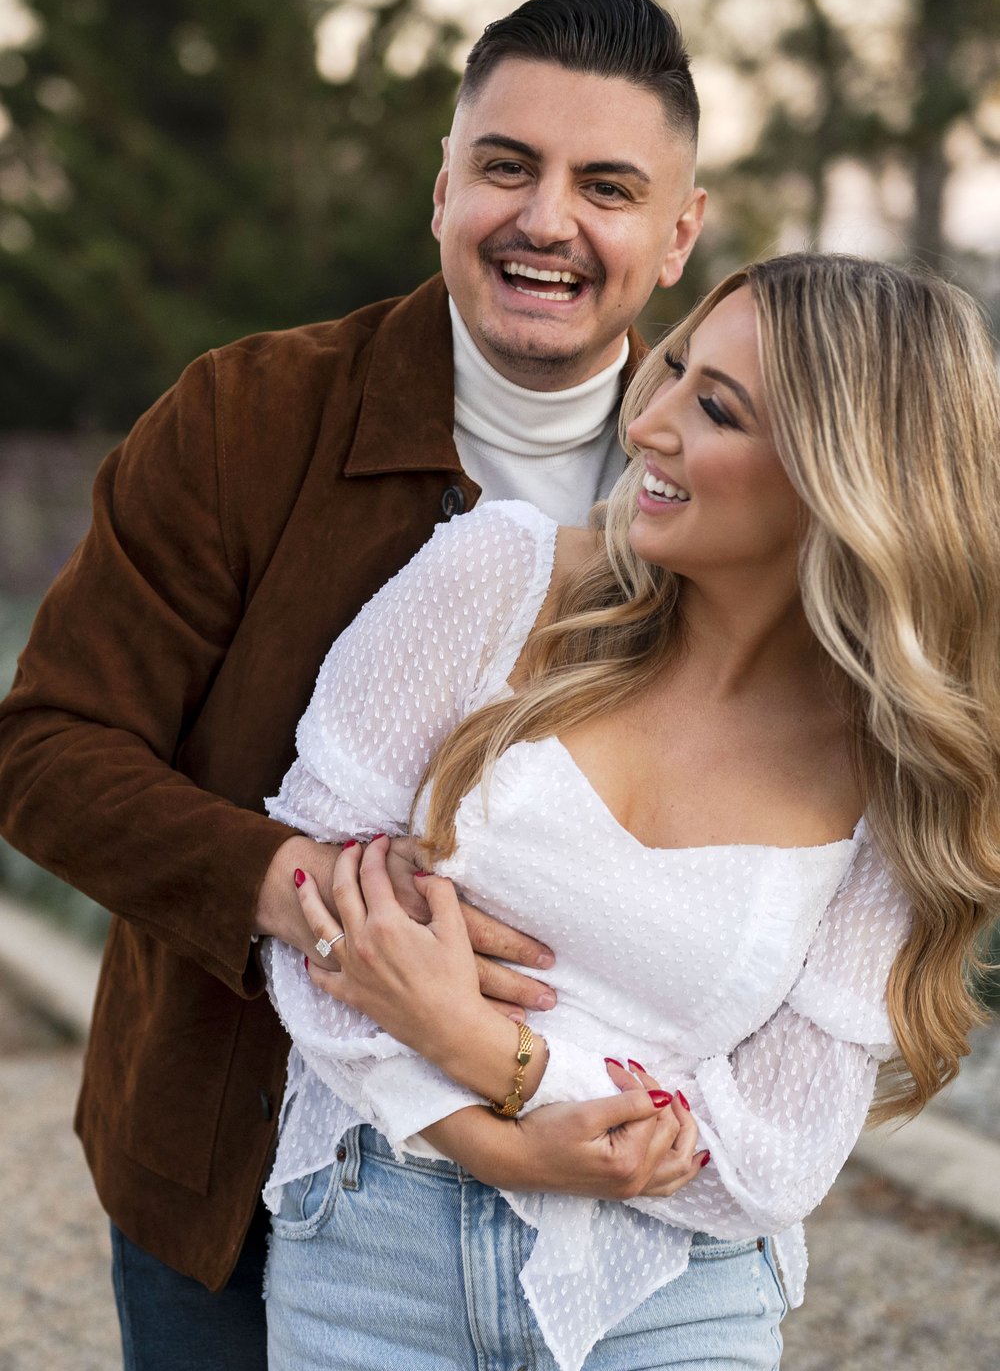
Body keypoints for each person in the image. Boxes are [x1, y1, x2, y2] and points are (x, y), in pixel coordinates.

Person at [0, 0, 706, 1367]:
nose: (546, 220)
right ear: (442, 189)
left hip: (603, 1185)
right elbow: (45, 748)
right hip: (238, 1165)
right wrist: (316, 897)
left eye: (607, 187)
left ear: (679, 231)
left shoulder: (730, 474)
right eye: (507, 166)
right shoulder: (243, 417)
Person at [259, 253, 1000, 1371]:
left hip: (670, 1290)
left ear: (842, 478)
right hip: (377, 1246)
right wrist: (494, 1142)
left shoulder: (895, 779)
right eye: (674, 373)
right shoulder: (496, 580)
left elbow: (773, 1157)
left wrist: (480, 1045)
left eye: (716, 409)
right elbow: (313, 913)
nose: (647, 424)